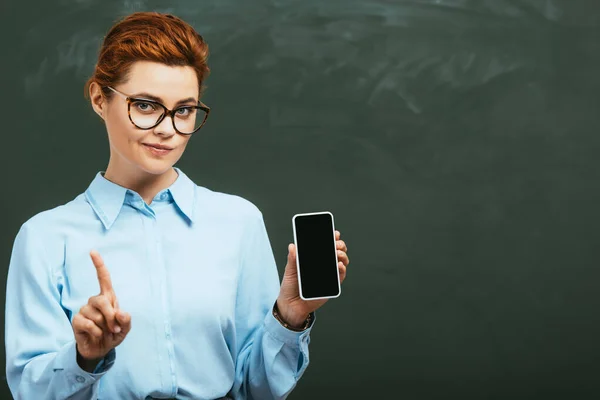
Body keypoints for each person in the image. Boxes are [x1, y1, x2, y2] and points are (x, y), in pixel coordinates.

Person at [4, 11, 349, 400]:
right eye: (147, 106)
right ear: (100, 99)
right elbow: (30, 392)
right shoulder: (45, 237)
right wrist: (84, 357)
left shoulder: (238, 222)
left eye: (184, 109)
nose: (168, 129)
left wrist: (289, 316)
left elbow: (257, 390)